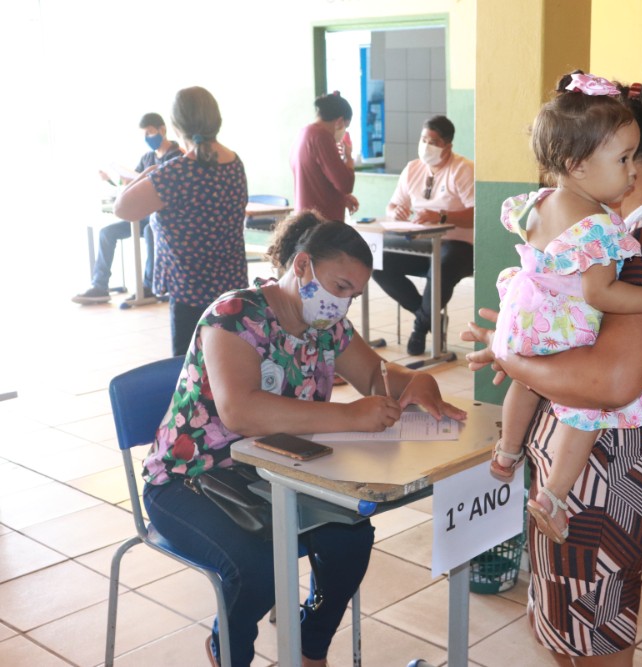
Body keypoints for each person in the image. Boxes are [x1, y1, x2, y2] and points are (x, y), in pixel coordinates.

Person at [464, 74, 642, 666]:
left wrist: (511, 352)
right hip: (592, 471)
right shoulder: (625, 227)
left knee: (593, 646)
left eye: (622, 157)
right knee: (574, 637)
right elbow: (589, 342)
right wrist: (532, 340)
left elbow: (613, 384)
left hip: (607, 476)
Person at [141, 211, 467, 667]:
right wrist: (348, 415)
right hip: (192, 479)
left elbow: (375, 375)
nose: (343, 304)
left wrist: (412, 383)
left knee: (350, 539)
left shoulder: (327, 327)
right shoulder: (234, 316)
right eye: (338, 287)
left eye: (353, 294)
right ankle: (229, 649)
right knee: (258, 569)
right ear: (302, 266)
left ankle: (310, 650)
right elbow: (242, 411)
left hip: (273, 473)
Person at [487, 72, 642, 544]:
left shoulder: (540, 202)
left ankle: (507, 451)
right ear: (578, 165)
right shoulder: (597, 225)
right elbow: (601, 295)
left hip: (526, 311)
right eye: (622, 159)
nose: (633, 170)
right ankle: (553, 494)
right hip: (563, 323)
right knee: (586, 411)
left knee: (526, 380)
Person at [115, 87, 249, 356]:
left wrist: (148, 173)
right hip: (232, 290)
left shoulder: (175, 173)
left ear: (175, 127)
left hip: (190, 293)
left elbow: (123, 209)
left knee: (191, 374)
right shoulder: (234, 163)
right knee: (232, 365)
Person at [373, 115, 475, 355]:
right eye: (423, 139)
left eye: (433, 141)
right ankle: (431, 318)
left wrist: (441, 216)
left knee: (442, 267)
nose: (426, 145)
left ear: (447, 145)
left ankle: (420, 328)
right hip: (419, 242)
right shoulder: (412, 169)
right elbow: (392, 206)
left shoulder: (462, 169)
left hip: (458, 245)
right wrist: (395, 212)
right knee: (378, 264)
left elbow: (475, 214)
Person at [73, 113, 182, 304]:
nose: (148, 138)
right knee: (107, 233)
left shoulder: (177, 157)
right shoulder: (147, 157)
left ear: (162, 130)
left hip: (164, 219)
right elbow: (134, 187)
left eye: (150, 133)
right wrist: (115, 182)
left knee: (151, 230)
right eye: (144, 135)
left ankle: (148, 288)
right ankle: (100, 286)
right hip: (142, 215)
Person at [291, 92, 359, 223]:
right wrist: (348, 157)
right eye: (346, 126)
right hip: (322, 225)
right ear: (339, 122)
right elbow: (346, 184)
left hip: (305, 220)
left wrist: (341, 198)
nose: (344, 132)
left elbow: (316, 181)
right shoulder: (321, 137)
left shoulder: (303, 134)